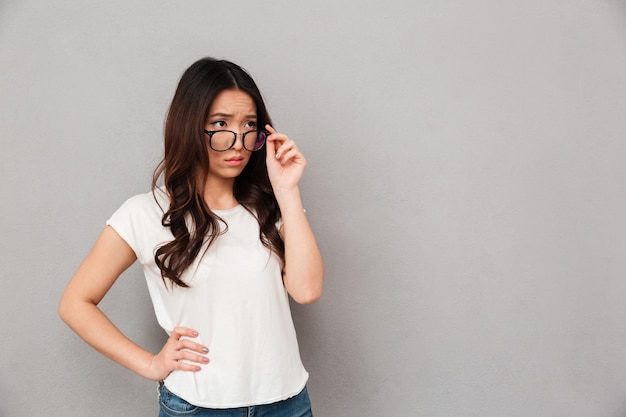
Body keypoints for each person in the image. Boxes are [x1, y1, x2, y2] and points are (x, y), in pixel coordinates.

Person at [58, 57, 324, 417]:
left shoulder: (272, 207)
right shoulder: (145, 213)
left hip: (287, 404)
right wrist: (150, 364)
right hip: (198, 408)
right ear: (189, 127)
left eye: (249, 125)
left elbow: (307, 292)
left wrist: (288, 191)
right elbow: (75, 303)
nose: (239, 142)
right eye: (220, 124)